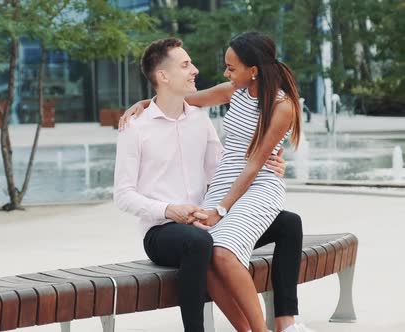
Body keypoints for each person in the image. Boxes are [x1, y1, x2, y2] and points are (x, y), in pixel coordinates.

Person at [114, 36, 306, 332]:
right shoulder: (136, 128)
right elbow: (123, 196)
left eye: (231, 67)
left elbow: (223, 165)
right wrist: (171, 210)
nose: (197, 70)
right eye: (186, 64)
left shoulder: (199, 120)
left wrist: (271, 165)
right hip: (163, 228)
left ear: (252, 70)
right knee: (205, 245)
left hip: (205, 211)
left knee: (289, 223)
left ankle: (286, 321)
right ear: (164, 76)